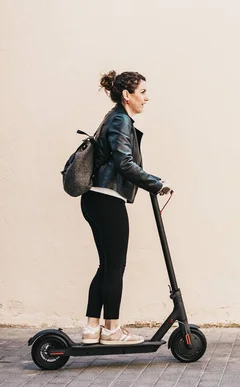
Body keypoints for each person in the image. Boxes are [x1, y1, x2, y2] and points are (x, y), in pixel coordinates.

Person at [80, 70, 172, 345]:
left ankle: (91, 329)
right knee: (115, 267)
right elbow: (124, 163)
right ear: (126, 95)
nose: (146, 98)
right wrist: (156, 183)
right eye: (142, 92)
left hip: (95, 200)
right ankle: (112, 330)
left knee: (106, 266)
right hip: (108, 200)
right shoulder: (120, 120)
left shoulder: (113, 117)